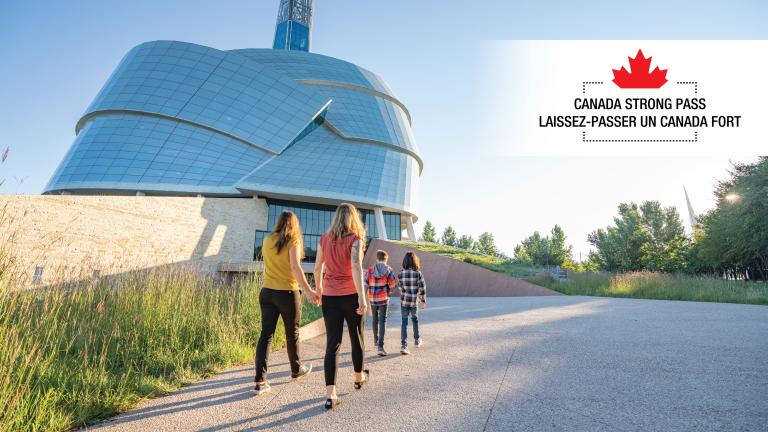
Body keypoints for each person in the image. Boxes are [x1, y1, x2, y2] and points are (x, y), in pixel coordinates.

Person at [254, 211, 318, 395]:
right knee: (292, 333)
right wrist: (308, 291)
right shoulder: (293, 241)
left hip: (267, 292)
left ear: (278, 223)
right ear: (294, 225)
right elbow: (295, 267)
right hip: (287, 293)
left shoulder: (267, 241)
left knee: (266, 335)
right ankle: (296, 370)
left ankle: (260, 381)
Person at [314, 203, 369, 410]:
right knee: (356, 337)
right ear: (353, 218)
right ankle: (358, 377)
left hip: (329, 296)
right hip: (350, 294)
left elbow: (318, 266)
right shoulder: (355, 240)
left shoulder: (323, 239)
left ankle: (331, 394)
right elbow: (356, 266)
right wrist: (362, 298)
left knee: (333, 343)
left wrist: (319, 290)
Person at [365, 250, 397, 356]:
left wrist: (362, 298)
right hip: (383, 298)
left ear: (376, 258)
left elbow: (365, 284)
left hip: (372, 299)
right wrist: (389, 289)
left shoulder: (370, 270)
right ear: (386, 259)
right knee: (383, 321)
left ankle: (375, 340)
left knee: (375, 319)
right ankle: (380, 347)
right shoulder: (389, 270)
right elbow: (392, 285)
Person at [398, 251, 427, 355]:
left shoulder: (401, 273)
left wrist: (405, 291)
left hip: (404, 301)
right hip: (414, 301)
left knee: (404, 322)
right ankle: (417, 340)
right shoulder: (418, 273)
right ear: (415, 261)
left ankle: (403, 345)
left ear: (405, 261)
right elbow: (422, 288)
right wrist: (423, 300)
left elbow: (400, 287)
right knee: (415, 320)